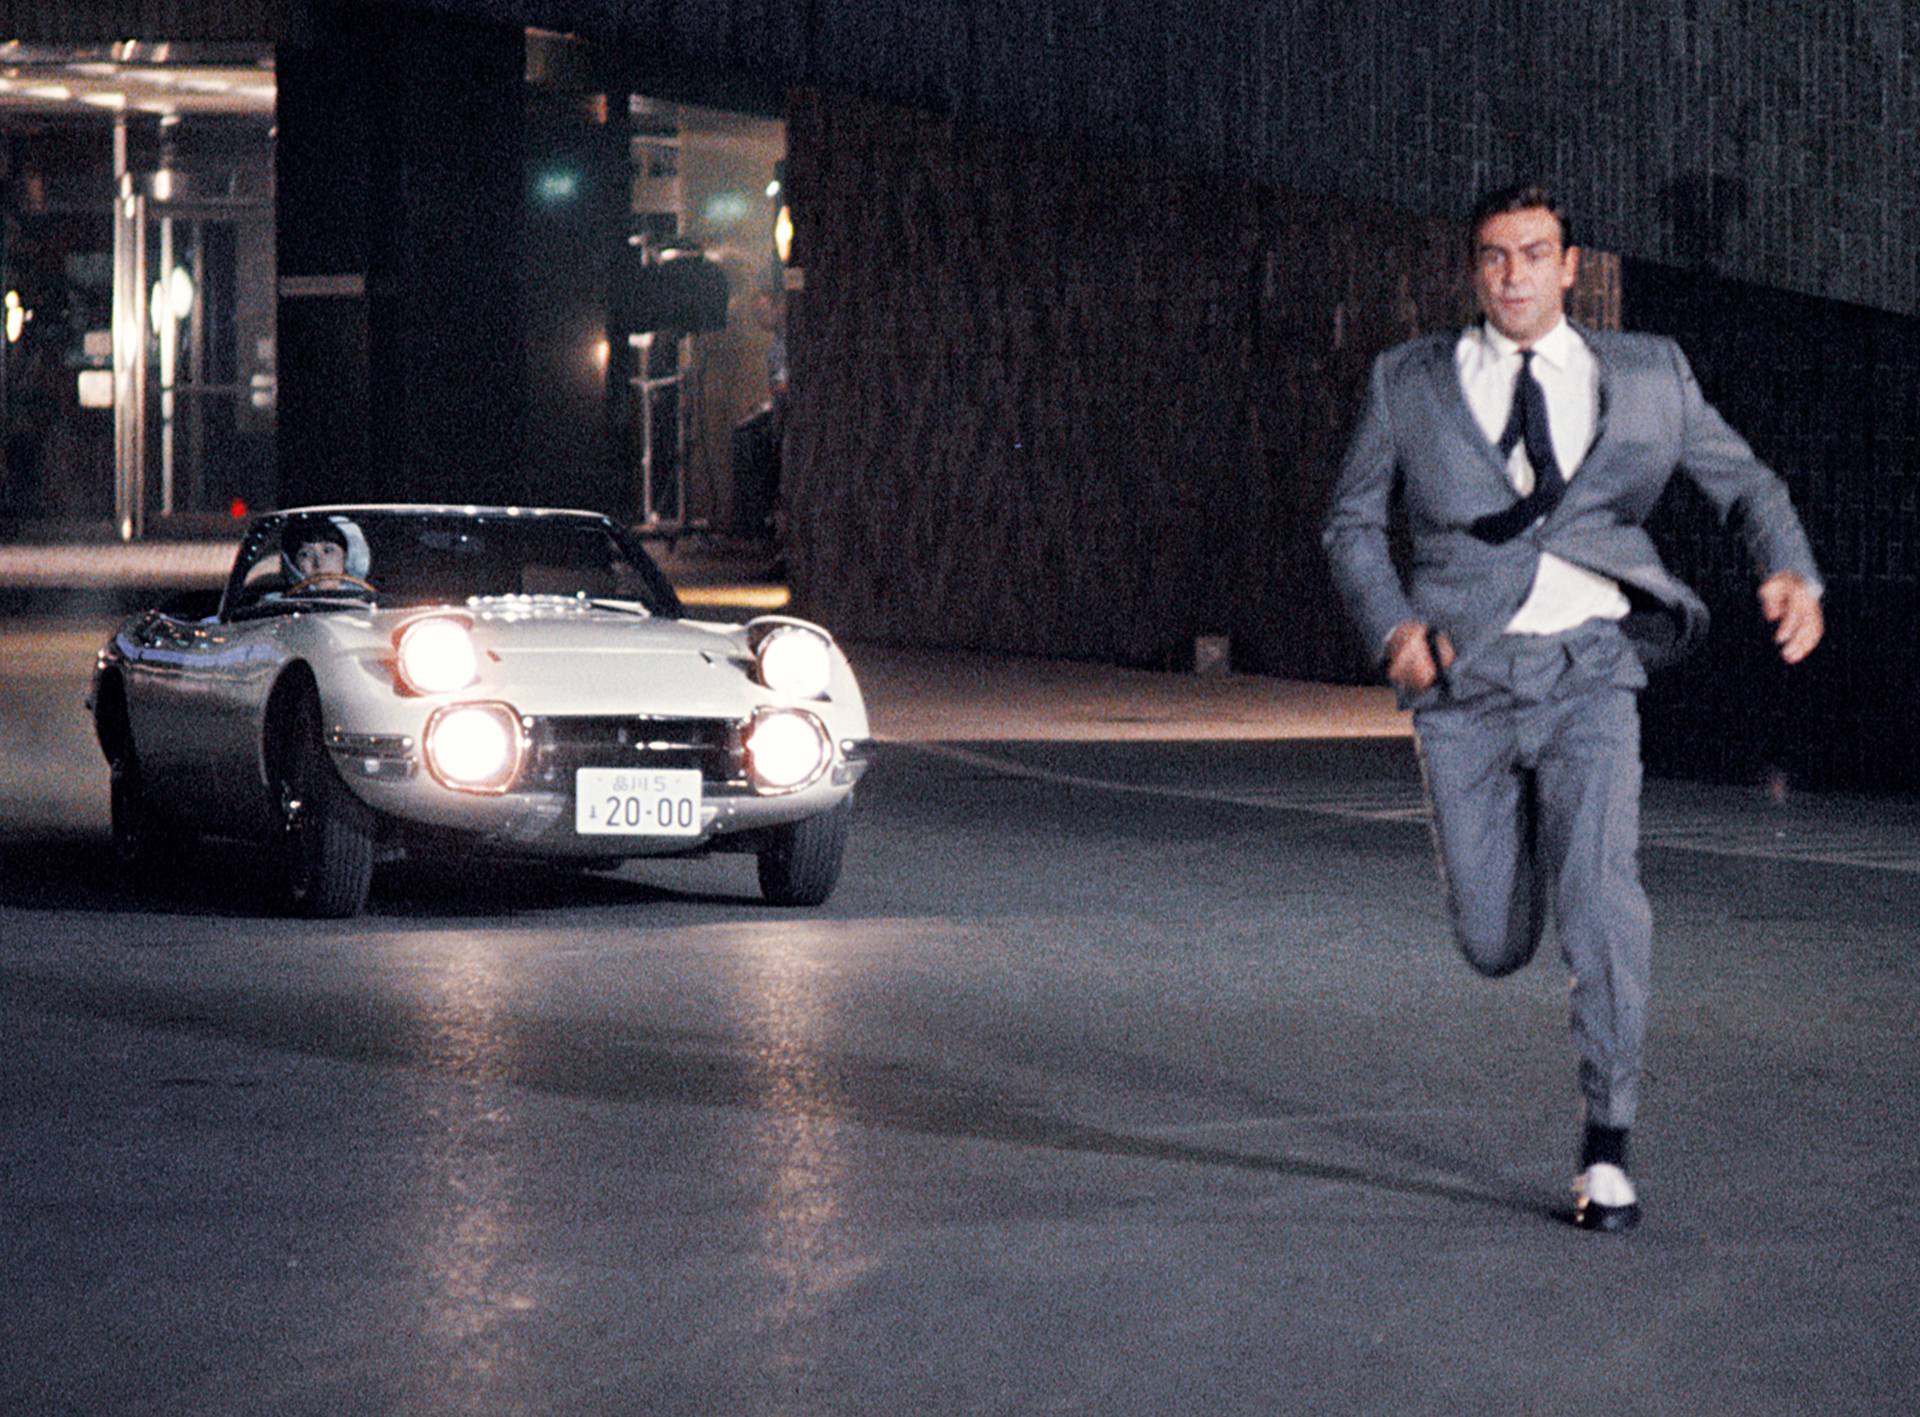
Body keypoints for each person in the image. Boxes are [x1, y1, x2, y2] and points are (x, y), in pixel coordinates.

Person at [1322, 183, 1824, 1233]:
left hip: (1591, 672)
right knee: (1493, 939)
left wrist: (1788, 568)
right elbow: (1352, 522)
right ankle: (1528, 850)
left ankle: (1607, 1144)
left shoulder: (1646, 373)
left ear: (1570, 266)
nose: (1514, 275)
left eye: (1534, 253)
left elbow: (1749, 485)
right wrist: (1394, 629)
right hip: (1464, 686)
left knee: (1601, 898)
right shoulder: (1407, 380)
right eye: (1494, 256)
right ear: (1475, 269)